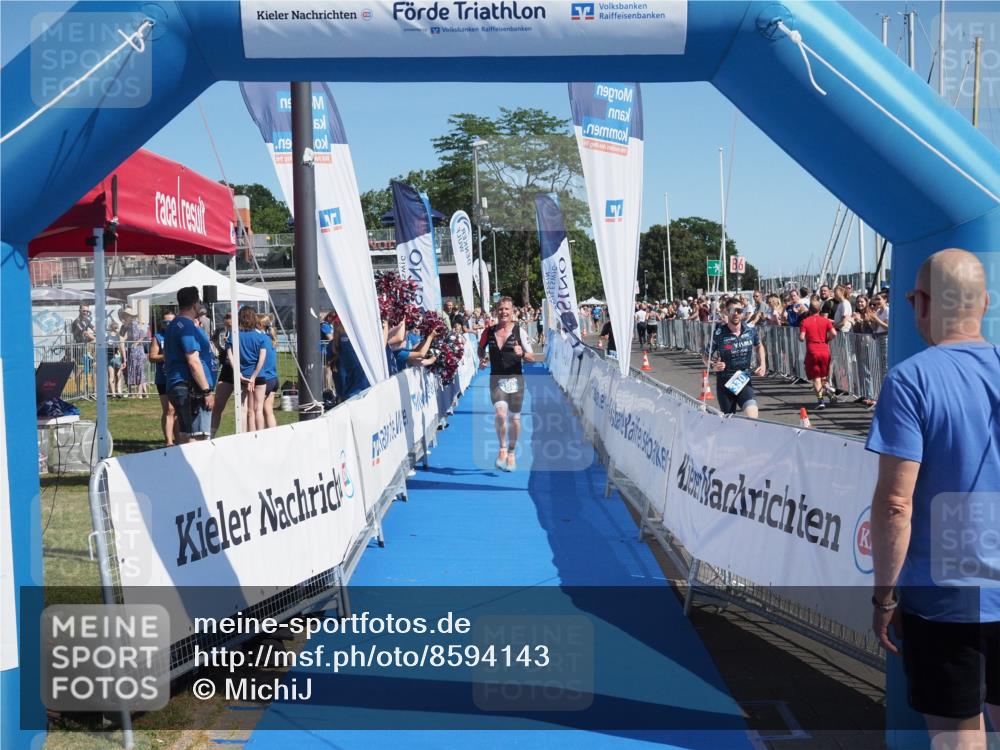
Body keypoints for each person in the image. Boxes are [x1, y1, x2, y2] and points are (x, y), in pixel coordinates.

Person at [866, 249, 999, 749]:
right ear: (983, 303)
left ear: (920, 303)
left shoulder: (911, 379)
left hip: (945, 600)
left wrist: (885, 596)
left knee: (958, 738)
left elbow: (895, 504)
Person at [478, 296, 535, 472]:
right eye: (500, 309)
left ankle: (512, 452)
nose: (503, 312)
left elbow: (532, 358)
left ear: (512, 312)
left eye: (507, 309)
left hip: (515, 379)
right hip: (496, 378)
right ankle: (502, 448)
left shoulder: (520, 331)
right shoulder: (488, 332)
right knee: (501, 414)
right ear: (496, 311)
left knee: (515, 419)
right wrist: (483, 359)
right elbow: (480, 349)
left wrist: (522, 354)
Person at [164, 287, 215, 443]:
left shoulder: (174, 324)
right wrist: (206, 391)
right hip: (191, 387)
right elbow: (193, 361)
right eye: (199, 302)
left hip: (179, 383)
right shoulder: (186, 327)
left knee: (187, 433)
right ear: (194, 304)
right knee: (198, 436)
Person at [702, 299, 766, 418]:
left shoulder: (750, 330)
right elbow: (705, 356)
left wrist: (763, 364)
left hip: (743, 379)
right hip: (725, 383)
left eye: (739, 310)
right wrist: (713, 365)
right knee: (729, 422)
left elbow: (759, 346)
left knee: (753, 417)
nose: (736, 313)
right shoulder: (718, 334)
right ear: (726, 312)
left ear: (742, 312)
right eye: (732, 310)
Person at [231, 306, 266, 432]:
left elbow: (231, 355)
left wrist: (238, 373)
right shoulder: (261, 337)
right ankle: (260, 437)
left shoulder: (234, 336)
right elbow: (262, 358)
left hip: (242, 376)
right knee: (258, 409)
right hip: (259, 376)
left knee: (243, 409)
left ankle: (242, 436)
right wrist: (254, 376)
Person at [799, 296, 837, 410]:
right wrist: (827, 340)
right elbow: (834, 333)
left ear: (809, 309)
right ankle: (829, 390)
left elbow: (801, 337)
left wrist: (802, 337)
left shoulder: (805, 321)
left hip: (812, 350)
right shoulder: (825, 321)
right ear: (820, 310)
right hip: (824, 349)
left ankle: (821, 400)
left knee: (816, 378)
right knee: (823, 376)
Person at [148, 311, 177, 446]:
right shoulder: (158, 337)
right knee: (169, 409)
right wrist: (166, 356)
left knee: (178, 410)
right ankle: (169, 441)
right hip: (163, 378)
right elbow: (152, 357)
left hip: (178, 376)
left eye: (171, 322)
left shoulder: (179, 335)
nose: (168, 324)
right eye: (165, 322)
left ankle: (178, 439)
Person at [211, 313, 235, 438]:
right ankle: (211, 435)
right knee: (217, 405)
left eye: (230, 325)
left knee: (246, 407)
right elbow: (225, 353)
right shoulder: (228, 333)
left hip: (242, 369)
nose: (228, 328)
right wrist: (216, 344)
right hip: (227, 369)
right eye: (226, 325)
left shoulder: (242, 332)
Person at [256, 313, 280, 429]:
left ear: (260, 325)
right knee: (268, 410)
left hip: (265, 379)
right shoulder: (271, 338)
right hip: (274, 379)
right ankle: (273, 435)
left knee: (258, 409)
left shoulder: (261, 339)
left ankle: (259, 436)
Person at [120, 308, 148, 398]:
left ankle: (139, 393)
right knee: (133, 371)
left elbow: (144, 334)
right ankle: (136, 393)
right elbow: (125, 337)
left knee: (139, 370)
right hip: (132, 350)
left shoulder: (136, 324)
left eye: (126, 315)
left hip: (138, 350)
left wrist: (136, 342)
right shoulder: (127, 326)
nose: (125, 317)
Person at [106, 320, 125, 399]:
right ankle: (119, 391)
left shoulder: (107, 337)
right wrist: (124, 360)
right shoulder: (119, 337)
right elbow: (122, 349)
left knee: (111, 376)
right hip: (117, 358)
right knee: (118, 375)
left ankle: (113, 393)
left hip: (109, 358)